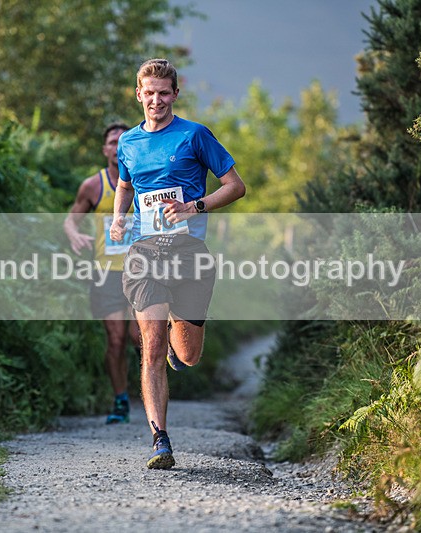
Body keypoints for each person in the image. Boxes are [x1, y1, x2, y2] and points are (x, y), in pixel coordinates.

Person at [110, 59, 246, 469]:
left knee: (187, 356)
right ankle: (160, 440)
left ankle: (177, 336)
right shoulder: (128, 142)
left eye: (163, 92)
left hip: (189, 256)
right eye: (148, 93)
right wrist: (119, 218)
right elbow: (125, 184)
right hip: (144, 254)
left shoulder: (195, 135)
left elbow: (235, 187)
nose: (156, 100)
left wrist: (194, 206)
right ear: (139, 94)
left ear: (175, 94)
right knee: (148, 346)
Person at [64, 122, 141, 425]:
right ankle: (121, 400)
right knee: (116, 338)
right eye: (112, 141)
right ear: (105, 149)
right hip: (106, 272)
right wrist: (74, 235)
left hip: (142, 270)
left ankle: (150, 390)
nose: (117, 145)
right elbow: (70, 220)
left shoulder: (145, 177)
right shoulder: (93, 186)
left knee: (140, 337)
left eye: (123, 140)